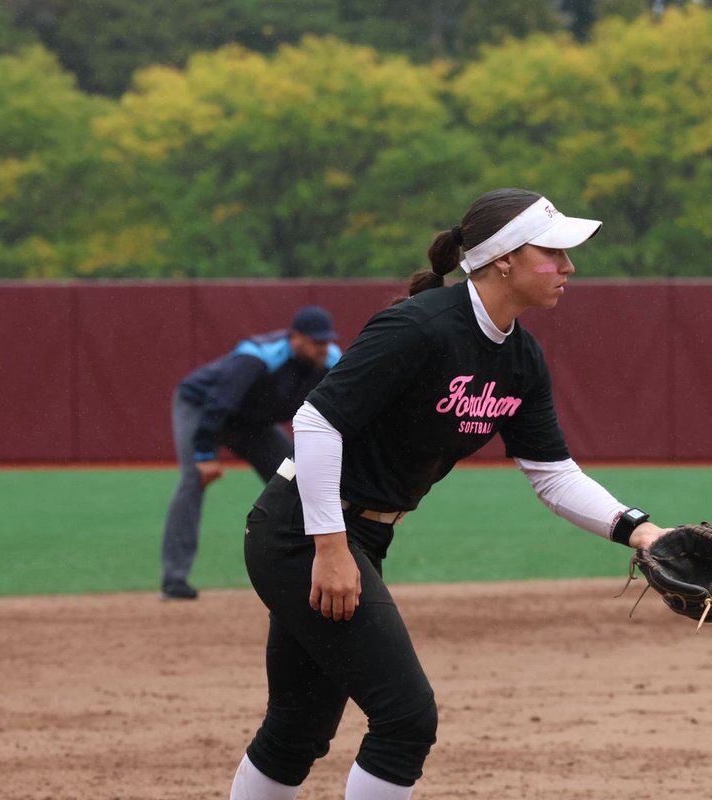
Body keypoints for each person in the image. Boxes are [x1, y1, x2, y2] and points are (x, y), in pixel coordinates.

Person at [233, 189, 670, 799]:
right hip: (302, 530)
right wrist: (329, 545)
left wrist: (641, 530)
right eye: (554, 252)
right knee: (406, 718)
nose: (569, 267)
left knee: (298, 727)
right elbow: (315, 423)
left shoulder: (519, 356)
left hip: (358, 535)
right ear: (503, 261)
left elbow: (552, 472)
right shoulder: (420, 326)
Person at [159, 305, 342, 600]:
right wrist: (205, 455)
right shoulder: (258, 356)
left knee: (299, 480)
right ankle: (174, 580)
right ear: (295, 338)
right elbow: (220, 402)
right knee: (194, 480)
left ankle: (308, 571)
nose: (323, 348)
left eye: (326, 341)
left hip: (252, 423)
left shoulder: (330, 361)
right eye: (316, 341)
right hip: (201, 407)